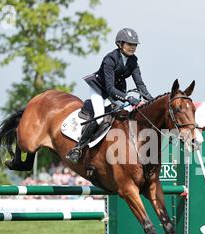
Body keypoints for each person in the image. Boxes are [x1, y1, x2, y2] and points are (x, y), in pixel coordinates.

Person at [66, 27, 154, 164]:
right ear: (120, 44)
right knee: (100, 117)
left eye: (134, 45)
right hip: (100, 90)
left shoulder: (133, 61)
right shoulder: (110, 59)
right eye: (129, 44)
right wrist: (126, 98)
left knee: (128, 115)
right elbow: (110, 89)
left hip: (117, 91)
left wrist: (151, 100)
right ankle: (78, 148)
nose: (132, 47)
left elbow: (140, 84)